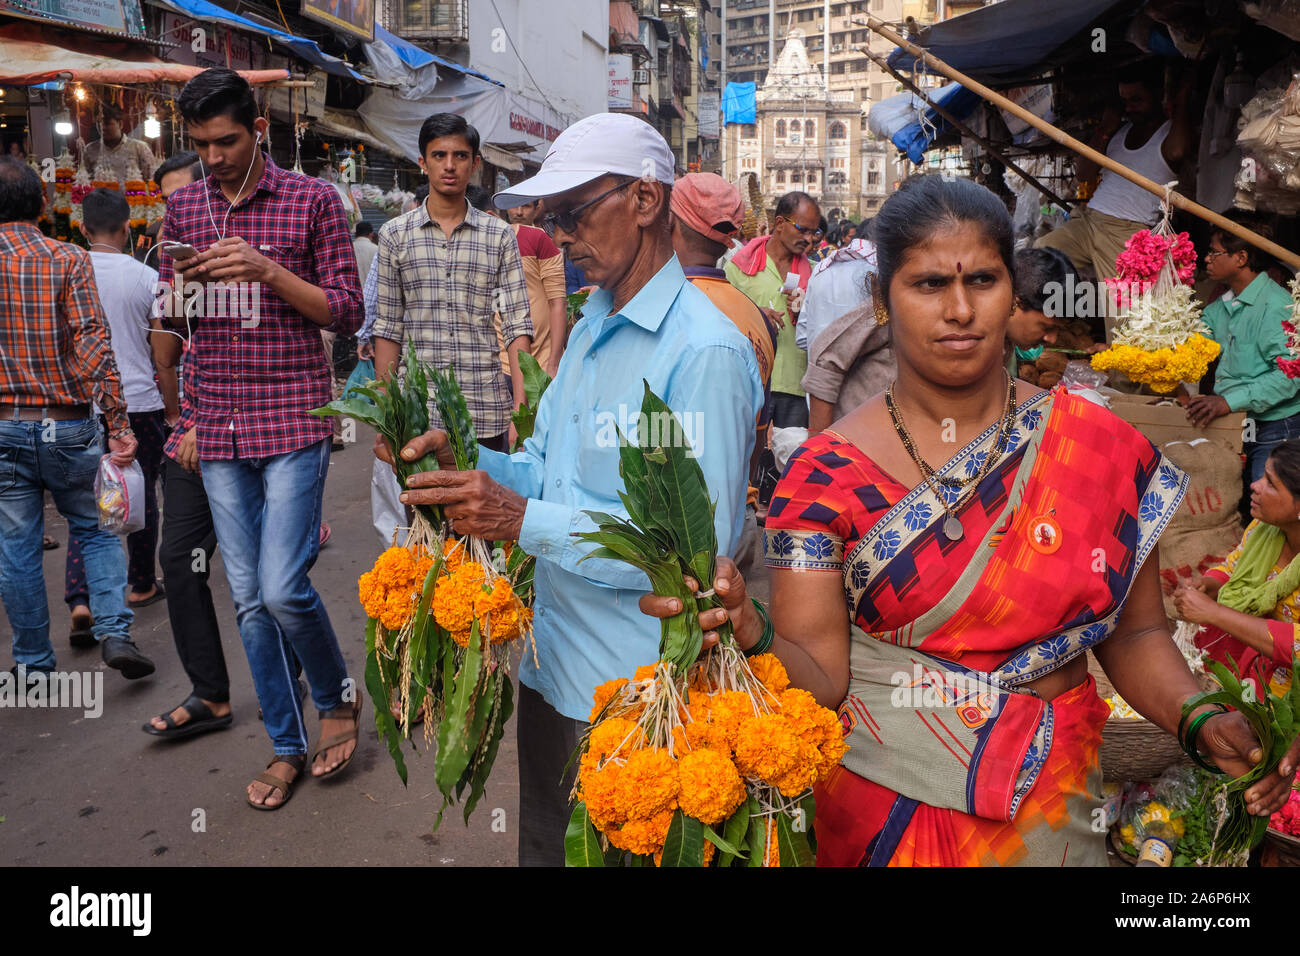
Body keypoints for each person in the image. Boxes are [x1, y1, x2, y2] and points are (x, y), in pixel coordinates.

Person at [641, 174, 1300, 866]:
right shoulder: (824, 475)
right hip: (883, 809)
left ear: (1012, 291)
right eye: (928, 285)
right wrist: (751, 630)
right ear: (881, 300)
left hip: (1051, 809)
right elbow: (822, 676)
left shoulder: (1096, 445)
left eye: (981, 281)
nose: (959, 309)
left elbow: (1134, 632)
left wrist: (1198, 717)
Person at [379, 112, 764, 866]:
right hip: (554, 673)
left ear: (646, 201)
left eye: (574, 214)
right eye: (550, 219)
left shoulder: (705, 353)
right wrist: (476, 467)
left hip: (637, 701)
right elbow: (547, 468)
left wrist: (521, 518)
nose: (560, 237)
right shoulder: (589, 326)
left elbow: (694, 557)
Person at [157, 68, 364, 808]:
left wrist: (267, 271)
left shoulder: (311, 201)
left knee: (281, 587)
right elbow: (175, 322)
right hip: (217, 425)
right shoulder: (179, 209)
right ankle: (285, 744)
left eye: (226, 141)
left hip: (291, 418)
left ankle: (337, 696)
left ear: (259, 126)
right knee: (246, 599)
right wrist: (183, 414)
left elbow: (344, 313)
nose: (212, 157)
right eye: (200, 145)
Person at [0, 156, 153, 682]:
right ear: (45, 205)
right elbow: (93, 346)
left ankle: (32, 664)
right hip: (66, 424)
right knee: (96, 529)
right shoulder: (68, 259)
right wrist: (119, 424)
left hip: (3, 427)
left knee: (16, 547)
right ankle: (114, 632)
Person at [142, 151, 237, 741]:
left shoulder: (250, 234)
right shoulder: (174, 246)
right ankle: (210, 694)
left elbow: (258, 348)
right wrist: (179, 282)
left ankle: (308, 683)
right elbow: (169, 341)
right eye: (166, 203)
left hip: (256, 425)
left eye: (184, 196)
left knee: (266, 577)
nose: (175, 211)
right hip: (195, 423)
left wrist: (206, 419)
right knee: (178, 559)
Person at [372, 113, 533, 453]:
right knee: (422, 507)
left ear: (474, 164)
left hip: (483, 408)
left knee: (484, 506)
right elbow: (388, 327)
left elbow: (518, 323)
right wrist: (387, 411)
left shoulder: (499, 236)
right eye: (439, 155)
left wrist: (522, 407)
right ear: (423, 163)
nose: (450, 165)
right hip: (418, 410)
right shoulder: (394, 235)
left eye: (460, 156)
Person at [63, 189, 168, 653]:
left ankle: (82, 598)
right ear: (128, 228)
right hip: (139, 402)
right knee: (138, 496)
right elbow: (163, 352)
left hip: (80, 405)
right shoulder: (147, 277)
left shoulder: (65, 271)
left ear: (82, 229)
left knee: (86, 506)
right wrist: (175, 408)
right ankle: (141, 582)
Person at [669, 172, 778, 579]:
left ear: (668, 223)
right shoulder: (757, 316)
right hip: (741, 515)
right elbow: (758, 434)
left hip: (680, 526)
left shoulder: (669, 312)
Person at [1036, 64, 1192, 286]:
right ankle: (1048, 316)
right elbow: (1082, 174)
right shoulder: (1118, 132)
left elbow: (1178, 151)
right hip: (1089, 221)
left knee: (1119, 315)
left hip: (1125, 233)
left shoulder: (1169, 134)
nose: (1129, 108)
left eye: (1137, 100)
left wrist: (1182, 101)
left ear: (1158, 95)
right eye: (1125, 101)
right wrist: (1105, 129)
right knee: (1039, 255)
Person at [1175, 440, 1300, 704]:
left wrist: (1214, 613)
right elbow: (1234, 568)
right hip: (1257, 684)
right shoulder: (1263, 530)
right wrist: (1208, 584)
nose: (1255, 485)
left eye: (1270, 483)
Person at [1187, 225, 1299, 483]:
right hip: (1237, 424)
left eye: (1214, 252)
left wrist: (1228, 402)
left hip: (1276, 428)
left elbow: (1290, 375)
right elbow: (1194, 343)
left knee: (1266, 511)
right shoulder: (1223, 305)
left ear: (1241, 258)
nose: (1206, 259)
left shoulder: (1276, 307)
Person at [726, 190, 821, 428]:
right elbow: (719, 319)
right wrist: (754, 317)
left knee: (790, 458)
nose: (809, 239)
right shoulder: (739, 268)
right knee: (748, 459)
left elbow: (828, 334)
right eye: (803, 229)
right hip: (750, 382)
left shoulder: (818, 275)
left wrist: (806, 316)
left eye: (814, 232)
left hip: (796, 386)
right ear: (780, 223)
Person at [796, 234, 890, 435]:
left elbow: (802, 337)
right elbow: (828, 362)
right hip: (860, 410)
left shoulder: (821, 271)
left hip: (818, 403)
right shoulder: (882, 279)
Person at [476, 186, 568, 378]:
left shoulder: (539, 239)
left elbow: (557, 302)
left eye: (525, 206)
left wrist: (554, 362)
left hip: (538, 362)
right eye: (514, 207)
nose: (518, 212)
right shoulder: (473, 248)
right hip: (495, 362)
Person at [81, 103, 156, 188]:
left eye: (107, 123)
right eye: (99, 123)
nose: (102, 128)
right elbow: (84, 182)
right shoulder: (90, 150)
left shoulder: (140, 148)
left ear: (120, 124)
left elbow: (152, 180)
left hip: (133, 200)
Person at [353, 221, 378, 286]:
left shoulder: (348, 249)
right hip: (372, 292)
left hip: (353, 293)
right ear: (371, 234)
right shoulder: (377, 249)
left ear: (355, 234)